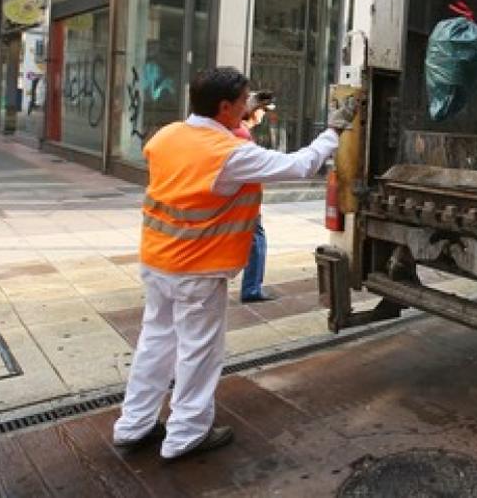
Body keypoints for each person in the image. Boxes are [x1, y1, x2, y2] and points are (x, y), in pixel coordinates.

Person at [112, 67, 355, 460]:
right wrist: (334, 131)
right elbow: (300, 166)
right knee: (198, 351)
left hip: (157, 260)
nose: (248, 107)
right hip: (197, 269)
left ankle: (133, 425)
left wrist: (239, 117)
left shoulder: (168, 135)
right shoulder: (228, 155)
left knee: (155, 344)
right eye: (242, 102)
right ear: (224, 107)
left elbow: (206, 148)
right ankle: (186, 435)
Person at [235, 91, 275, 303]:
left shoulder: (239, 132)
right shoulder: (241, 135)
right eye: (262, 110)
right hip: (245, 204)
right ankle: (251, 289)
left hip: (243, 202)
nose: (263, 115)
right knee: (257, 242)